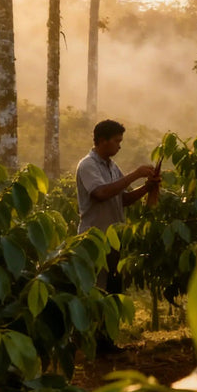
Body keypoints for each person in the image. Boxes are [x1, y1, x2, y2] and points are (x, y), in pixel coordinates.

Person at [75, 119, 160, 296]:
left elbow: (124, 199)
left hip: (114, 241)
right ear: (102, 140)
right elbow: (100, 193)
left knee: (113, 291)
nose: (119, 146)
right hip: (94, 240)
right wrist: (135, 174)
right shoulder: (87, 165)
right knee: (96, 291)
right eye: (117, 141)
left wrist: (147, 187)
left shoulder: (112, 167)